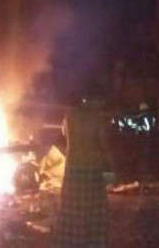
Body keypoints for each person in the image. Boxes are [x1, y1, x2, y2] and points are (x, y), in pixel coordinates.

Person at [52, 93, 113, 248]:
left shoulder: (69, 116)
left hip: (72, 170)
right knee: (93, 214)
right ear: (94, 100)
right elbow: (104, 145)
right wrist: (110, 172)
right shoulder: (97, 118)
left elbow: (65, 135)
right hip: (92, 171)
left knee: (71, 213)